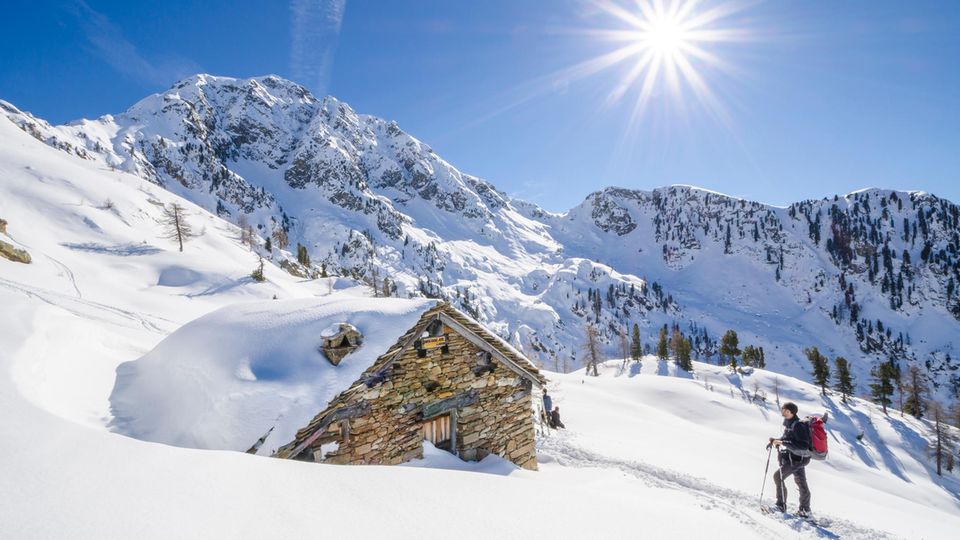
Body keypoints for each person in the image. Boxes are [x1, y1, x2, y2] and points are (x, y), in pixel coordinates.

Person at [768, 402, 812, 517]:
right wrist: (776, 440)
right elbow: (787, 438)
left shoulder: (798, 425)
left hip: (798, 458)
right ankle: (805, 510)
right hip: (795, 458)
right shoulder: (790, 423)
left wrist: (782, 442)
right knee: (801, 482)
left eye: (783, 409)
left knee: (778, 476)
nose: (781, 410)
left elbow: (803, 445)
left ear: (789, 411)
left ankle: (780, 506)